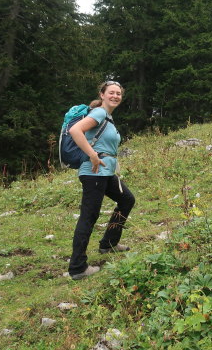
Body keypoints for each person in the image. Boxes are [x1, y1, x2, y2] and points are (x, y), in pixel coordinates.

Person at [67, 81, 136, 280]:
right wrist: (93, 155)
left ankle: (109, 243)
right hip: (94, 172)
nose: (115, 96)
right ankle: (78, 267)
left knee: (126, 200)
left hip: (105, 173)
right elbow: (75, 131)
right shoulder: (98, 113)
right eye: (111, 93)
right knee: (89, 217)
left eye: (118, 93)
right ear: (103, 95)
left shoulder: (108, 117)